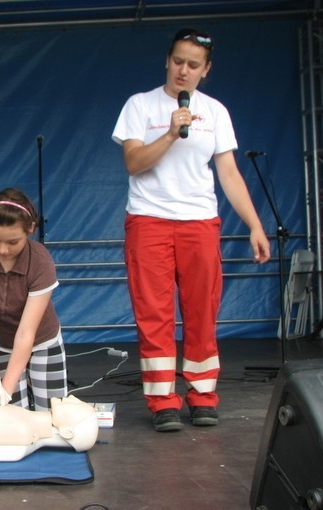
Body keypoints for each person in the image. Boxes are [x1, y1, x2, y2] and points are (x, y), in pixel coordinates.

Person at [112, 28, 271, 432]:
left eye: (193, 65)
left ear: (206, 70)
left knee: (202, 312)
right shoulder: (140, 105)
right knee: (154, 314)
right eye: (178, 61)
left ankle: (202, 396)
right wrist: (169, 131)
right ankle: (163, 400)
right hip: (149, 220)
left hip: (200, 222)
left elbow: (229, 174)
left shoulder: (215, 111)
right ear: (167, 60)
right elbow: (134, 162)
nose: (184, 70)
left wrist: (255, 225)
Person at [0, 188, 67, 412]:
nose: (2, 249)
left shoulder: (40, 262)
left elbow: (26, 332)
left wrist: (6, 390)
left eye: (13, 242)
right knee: (8, 416)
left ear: (31, 229)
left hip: (41, 340)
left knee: (51, 415)